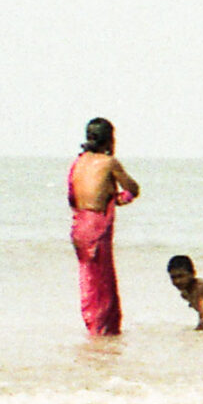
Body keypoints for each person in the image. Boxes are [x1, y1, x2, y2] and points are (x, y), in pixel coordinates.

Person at [69, 118, 139, 337]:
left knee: (88, 279)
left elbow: (72, 196)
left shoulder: (77, 163)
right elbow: (134, 188)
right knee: (103, 282)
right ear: (109, 140)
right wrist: (118, 197)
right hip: (97, 225)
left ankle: (94, 329)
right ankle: (103, 332)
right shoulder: (109, 163)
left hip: (79, 225)